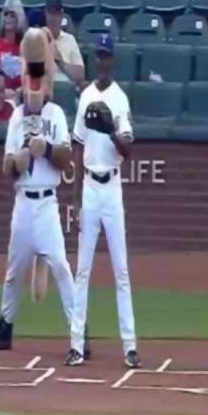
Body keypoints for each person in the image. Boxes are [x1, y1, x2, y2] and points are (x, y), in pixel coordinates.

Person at [0, 27, 75, 351]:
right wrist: (19, 159)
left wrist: (45, 148)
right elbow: (7, 166)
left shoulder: (57, 114)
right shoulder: (16, 117)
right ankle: (5, 325)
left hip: (47, 203)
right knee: (13, 271)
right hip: (23, 203)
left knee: (61, 267)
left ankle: (78, 330)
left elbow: (65, 158)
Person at [65, 34, 140, 369]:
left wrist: (111, 130)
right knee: (82, 271)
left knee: (120, 271)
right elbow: (78, 147)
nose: (103, 60)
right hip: (90, 191)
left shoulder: (120, 99)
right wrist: (76, 198)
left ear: (114, 59)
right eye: (99, 55)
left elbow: (127, 149)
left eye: (107, 55)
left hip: (112, 188)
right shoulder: (86, 98)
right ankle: (76, 345)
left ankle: (130, 346)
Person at [0, 0, 26, 96]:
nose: (8, 18)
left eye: (12, 15)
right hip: (2, 94)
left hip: (22, 94)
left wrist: (21, 90)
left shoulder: (25, 46)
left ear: (19, 19)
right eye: (6, 14)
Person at [45, 0, 84, 87]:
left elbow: (80, 76)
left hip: (66, 93)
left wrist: (60, 62)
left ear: (62, 15)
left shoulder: (70, 39)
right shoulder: (37, 38)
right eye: (50, 12)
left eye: (56, 13)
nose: (53, 17)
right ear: (45, 13)